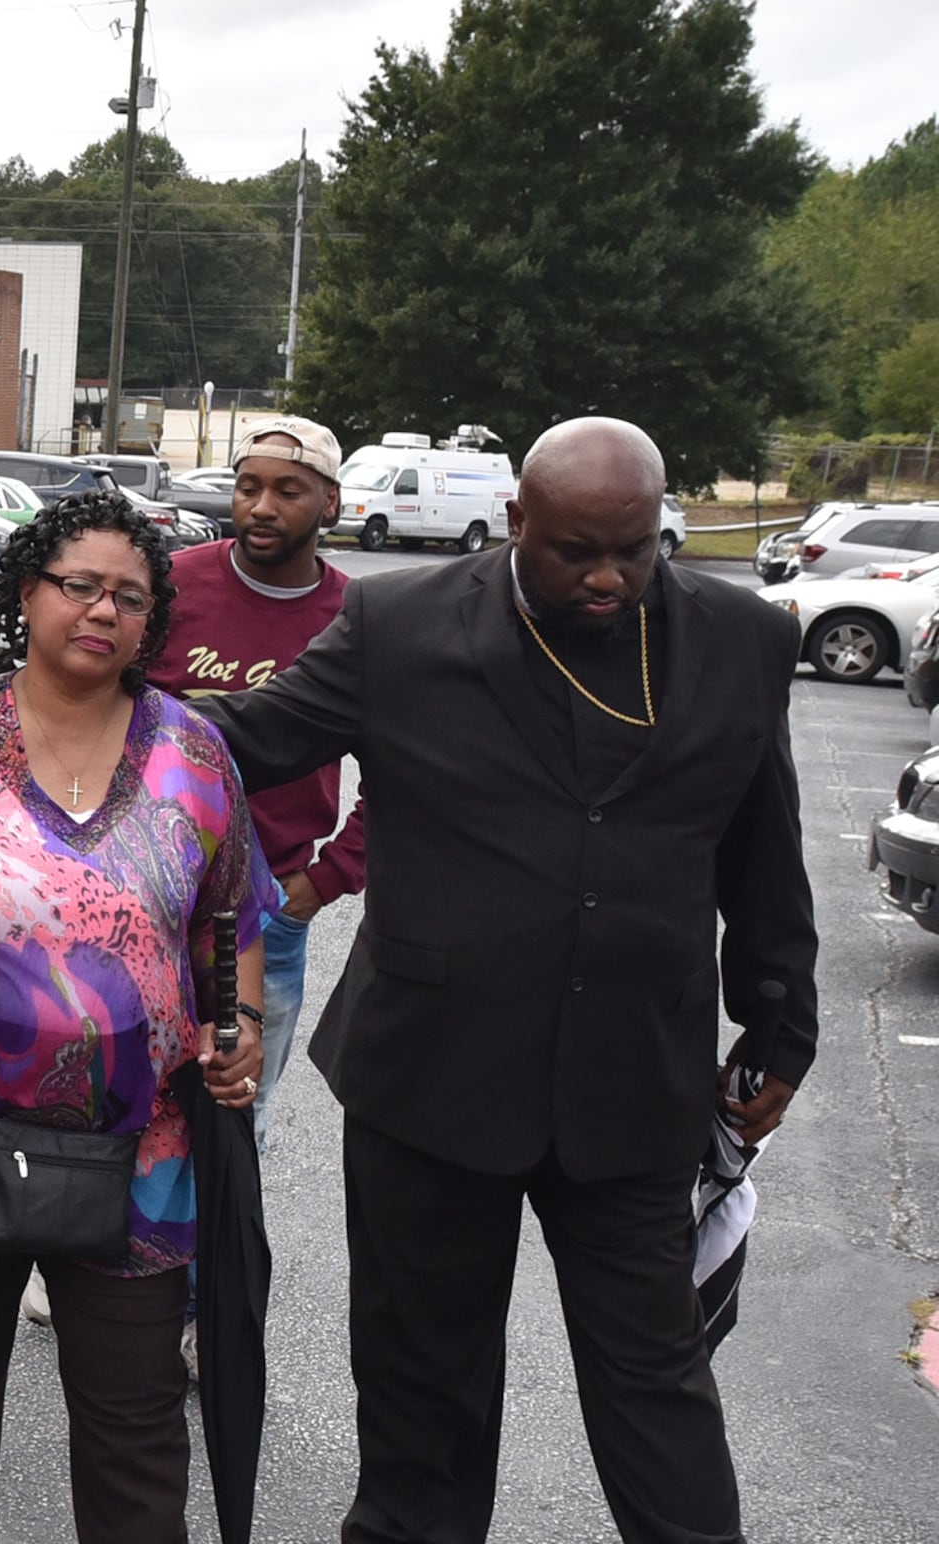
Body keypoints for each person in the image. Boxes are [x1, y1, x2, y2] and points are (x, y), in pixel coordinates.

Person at [198, 417, 813, 1544]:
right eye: (577, 549)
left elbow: (762, 845)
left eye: (635, 548)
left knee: (658, 1386)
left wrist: (781, 1019)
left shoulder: (741, 640)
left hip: (636, 1083)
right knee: (423, 1403)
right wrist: (67, 711)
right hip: (430, 1079)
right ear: (517, 520)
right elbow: (251, 740)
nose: (608, 577)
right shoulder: (398, 626)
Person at [0, 486, 270, 1544]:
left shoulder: (195, 754)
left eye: (130, 597)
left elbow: (233, 915)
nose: (103, 611)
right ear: (25, 593)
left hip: (146, 1151)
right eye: (78, 585)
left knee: (137, 1435)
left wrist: (243, 1024)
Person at [139, 412, 364, 1140]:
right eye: (248, 487)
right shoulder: (169, 587)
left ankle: (221, 1258)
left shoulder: (358, 617)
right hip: (142, 889)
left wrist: (324, 882)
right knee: (129, 1104)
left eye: (288, 490)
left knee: (235, 1118)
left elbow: (405, 769)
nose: (262, 507)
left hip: (267, 908)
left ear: (329, 501)